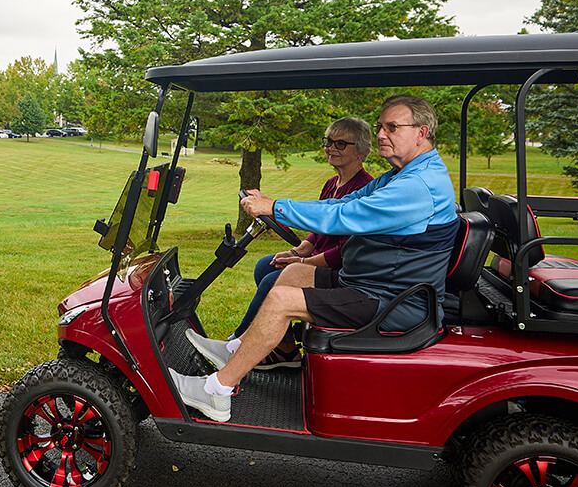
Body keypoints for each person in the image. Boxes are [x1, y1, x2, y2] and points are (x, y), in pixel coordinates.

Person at [173, 95, 459, 423]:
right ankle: (237, 350)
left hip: (392, 303)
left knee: (281, 298)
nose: (381, 134)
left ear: (421, 133)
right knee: (293, 273)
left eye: (392, 127)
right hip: (369, 284)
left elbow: (348, 216)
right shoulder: (402, 175)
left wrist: (275, 208)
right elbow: (342, 203)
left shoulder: (417, 186)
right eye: (380, 126)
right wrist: (278, 208)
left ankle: (217, 392)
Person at [230, 116, 375, 351]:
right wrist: (295, 251)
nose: (330, 148)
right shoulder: (332, 183)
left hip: (341, 271)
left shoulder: (363, 189)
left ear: (360, 151)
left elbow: (344, 251)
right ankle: (284, 347)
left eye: (340, 144)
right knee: (266, 265)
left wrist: (302, 262)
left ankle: (238, 343)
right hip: (318, 259)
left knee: (271, 280)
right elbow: (319, 232)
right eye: (328, 142)